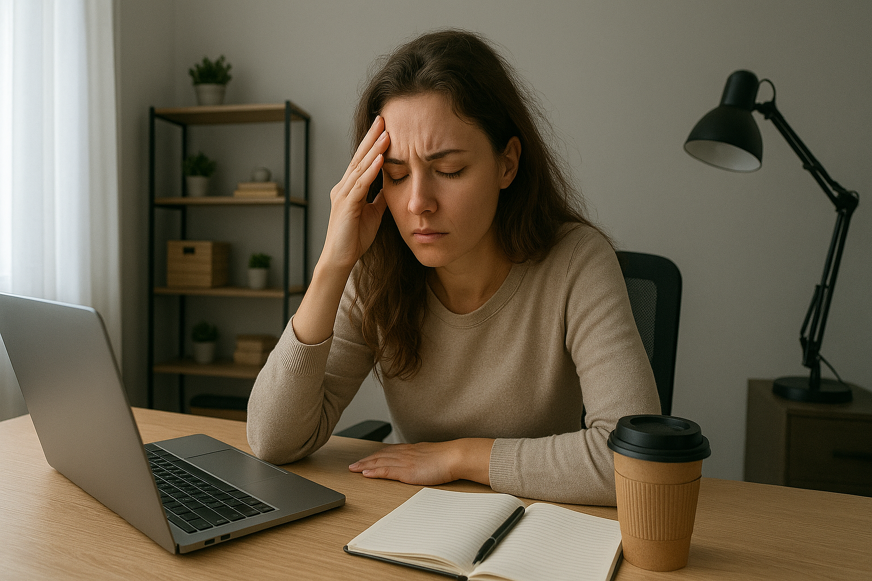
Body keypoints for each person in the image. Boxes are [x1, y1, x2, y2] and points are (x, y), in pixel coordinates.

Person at [247, 29, 659, 506]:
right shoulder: (377, 270)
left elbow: (636, 461)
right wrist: (332, 265)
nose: (417, 203)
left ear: (507, 164)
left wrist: (459, 457)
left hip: (543, 521)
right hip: (416, 518)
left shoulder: (576, 262)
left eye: (449, 170)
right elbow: (273, 441)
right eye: (396, 175)